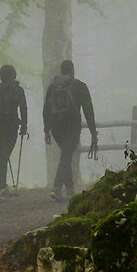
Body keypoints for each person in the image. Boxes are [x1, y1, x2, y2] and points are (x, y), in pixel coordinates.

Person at [42, 58, 97, 194]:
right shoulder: (80, 86)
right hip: (72, 126)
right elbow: (88, 110)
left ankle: (70, 188)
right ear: (72, 71)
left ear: (61, 72)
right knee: (66, 156)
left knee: (65, 154)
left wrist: (47, 130)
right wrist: (93, 132)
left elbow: (46, 109)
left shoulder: (53, 86)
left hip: (56, 127)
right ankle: (57, 187)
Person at [0, 65, 28, 195]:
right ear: (14, 75)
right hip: (11, 127)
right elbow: (23, 108)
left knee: (3, 155)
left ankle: (2, 185)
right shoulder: (18, 90)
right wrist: (24, 126)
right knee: (4, 155)